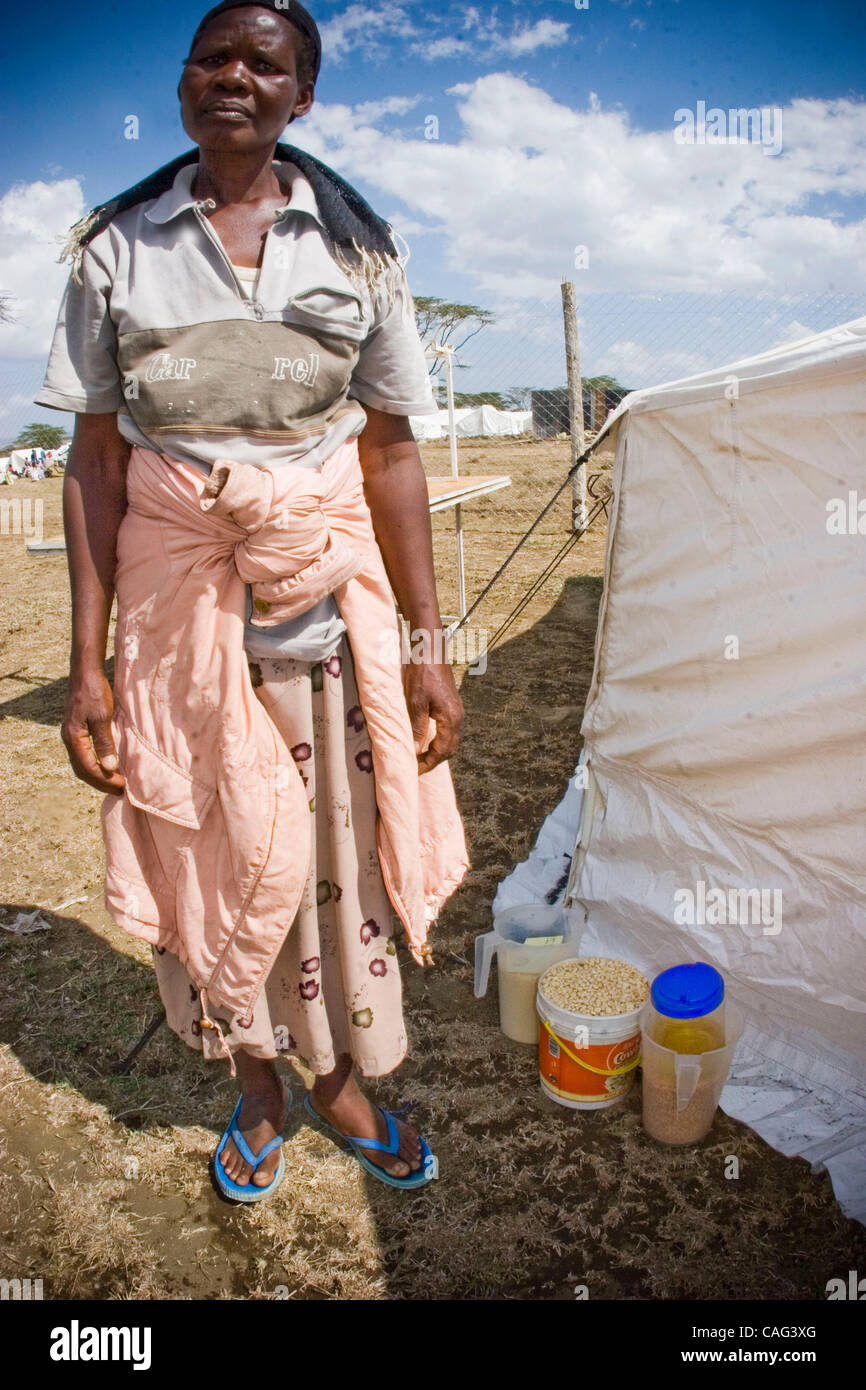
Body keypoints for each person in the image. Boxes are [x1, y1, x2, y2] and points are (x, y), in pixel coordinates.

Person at [35, 0, 469, 1199]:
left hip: (328, 631)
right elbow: (98, 463)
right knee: (214, 855)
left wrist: (430, 647)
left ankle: (341, 1077)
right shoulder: (114, 247)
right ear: (182, 84)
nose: (231, 75)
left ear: (300, 96)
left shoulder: (356, 248)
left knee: (335, 864)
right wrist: (90, 662)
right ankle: (260, 1086)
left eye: (261, 62)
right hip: (182, 636)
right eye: (209, 57)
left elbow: (388, 456)